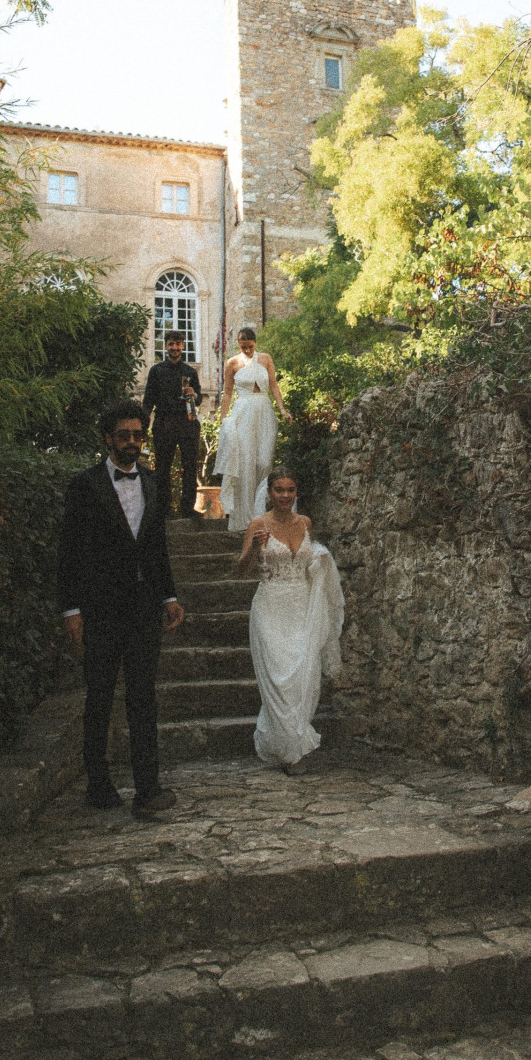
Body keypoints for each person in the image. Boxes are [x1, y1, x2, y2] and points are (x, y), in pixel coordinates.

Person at [58, 399, 184, 817]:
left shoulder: (153, 483)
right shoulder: (84, 485)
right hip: (100, 608)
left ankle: (148, 788)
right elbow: (69, 550)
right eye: (124, 436)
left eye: (138, 435)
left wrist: (169, 597)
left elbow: (156, 547)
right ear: (108, 439)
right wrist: (70, 608)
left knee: (143, 696)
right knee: (99, 696)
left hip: (144, 607)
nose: (132, 442)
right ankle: (98, 784)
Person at [238, 467, 344, 773]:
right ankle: (290, 752)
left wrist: (320, 561)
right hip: (271, 606)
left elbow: (310, 561)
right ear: (269, 493)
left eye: (290, 490)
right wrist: (255, 548)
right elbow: (241, 570)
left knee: (304, 676)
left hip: (303, 606)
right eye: (279, 490)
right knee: (279, 677)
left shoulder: (305, 523)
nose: (285, 495)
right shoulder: (258, 524)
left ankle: (292, 742)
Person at [214, 327, 291, 533]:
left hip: (265, 411)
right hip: (243, 412)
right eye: (243, 347)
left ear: (255, 343)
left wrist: (282, 409)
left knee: (264, 462)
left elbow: (273, 386)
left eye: (250, 346)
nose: (247, 350)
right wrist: (223, 419)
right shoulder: (232, 363)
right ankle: (245, 519)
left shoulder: (265, 359)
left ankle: (262, 513)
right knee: (245, 464)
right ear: (238, 345)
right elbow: (227, 393)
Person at [142, 330, 203, 520]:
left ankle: (188, 508)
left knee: (190, 466)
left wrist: (193, 394)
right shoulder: (156, 371)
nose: (174, 348)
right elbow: (148, 401)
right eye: (171, 344)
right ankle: (164, 509)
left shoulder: (190, 372)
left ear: (183, 346)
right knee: (162, 467)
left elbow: (199, 399)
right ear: (166, 346)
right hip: (164, 422)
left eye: (178, 344)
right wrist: (142, 425)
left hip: (187, 422)